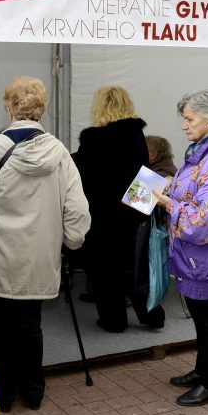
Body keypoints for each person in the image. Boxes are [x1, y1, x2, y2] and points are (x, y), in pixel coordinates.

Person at [0, 76, 90, 412]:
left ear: (9, 111)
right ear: (41, 111)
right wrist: (72, 243)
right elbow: (77, 210)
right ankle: (33, 392)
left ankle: (3, 395)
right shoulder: (60, 153)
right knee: (31, 326)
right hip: (39, 262)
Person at [153, 89, 208, 407]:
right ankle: (203, 371)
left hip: (205, 256)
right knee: (203, 318)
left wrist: (168, 204)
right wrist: (167, 189)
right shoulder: (201, 152)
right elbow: (190, 192)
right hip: (195, 255)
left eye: (189, 119)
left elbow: (206, 219)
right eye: (184, 118)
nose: (184, 125)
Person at [73, 86, 165, 333]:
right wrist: (142, 213)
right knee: (136, 267)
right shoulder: (136, 134)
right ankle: (152, 314)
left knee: (105, 269)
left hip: (103, 215)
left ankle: (114, 320)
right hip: (134, 211)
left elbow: (83, 177)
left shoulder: (93, 139)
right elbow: (146, 175)